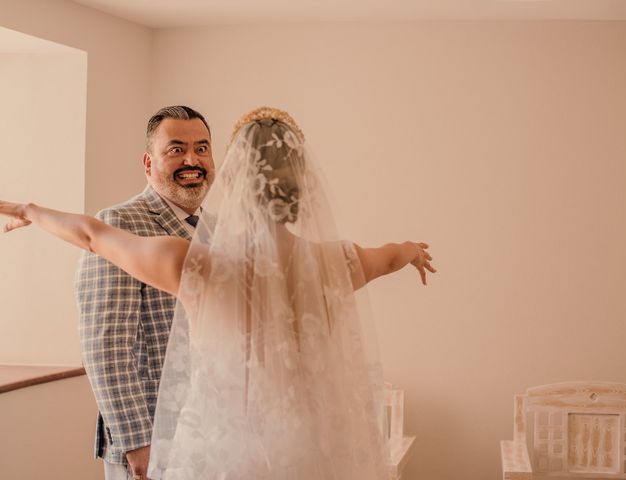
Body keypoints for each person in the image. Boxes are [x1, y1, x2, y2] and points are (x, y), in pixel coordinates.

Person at [0, 106, 435, 480]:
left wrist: (28, 211)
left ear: (235, 181)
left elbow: (92, 236)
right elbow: (390, 255)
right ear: (303, 186)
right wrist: (413, 250)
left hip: (223, 453)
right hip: (306, 448)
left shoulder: (198, 265)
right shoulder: (339, 262)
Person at [74, 105, 214, 480]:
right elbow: (105, 343)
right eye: (176, 149)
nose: (192, 159)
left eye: (202, 148)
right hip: (152, 437)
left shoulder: (221, 229)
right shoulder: (119, 222)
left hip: (213, 433)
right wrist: (137, 441)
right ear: (148, 163)